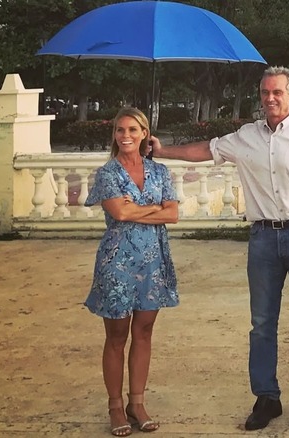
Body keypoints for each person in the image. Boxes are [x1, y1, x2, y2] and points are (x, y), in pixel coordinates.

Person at [150, 65, 289, 431]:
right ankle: (267, 398)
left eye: (277, 93)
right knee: (261, 323)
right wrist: (163, 150)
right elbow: (205, 150)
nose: (270, 98)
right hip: (263, 239)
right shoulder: (245, 137)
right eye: (265, 93)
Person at [84, 107, 180, 436]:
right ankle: (115, 406)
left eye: (132, 130)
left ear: (144, 134)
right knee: (116, 338)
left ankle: (136, 403)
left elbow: (173, 215)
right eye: (120, 130)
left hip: (152, 262)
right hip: (117, 262)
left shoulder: (160, 171)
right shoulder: (108, 173)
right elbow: (119, 215)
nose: (125, 136)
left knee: (144, 333)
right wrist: (155, 207)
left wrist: (139, 208)